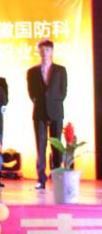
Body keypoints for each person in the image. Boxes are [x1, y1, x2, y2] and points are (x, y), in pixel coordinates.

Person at [26, 39, 67, 190]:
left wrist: (54, 102)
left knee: (56, 145)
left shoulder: (60, 70)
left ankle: (57, 175)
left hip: (56, 110)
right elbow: (31, 93)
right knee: (41, 146)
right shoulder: (32, 71)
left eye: (47, 50)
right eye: (42, 50)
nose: (44, 53)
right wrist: (40, 103)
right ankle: (41, 179)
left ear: (52, 51)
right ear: (38, 52)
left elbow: (63, 91)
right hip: (39, 111)